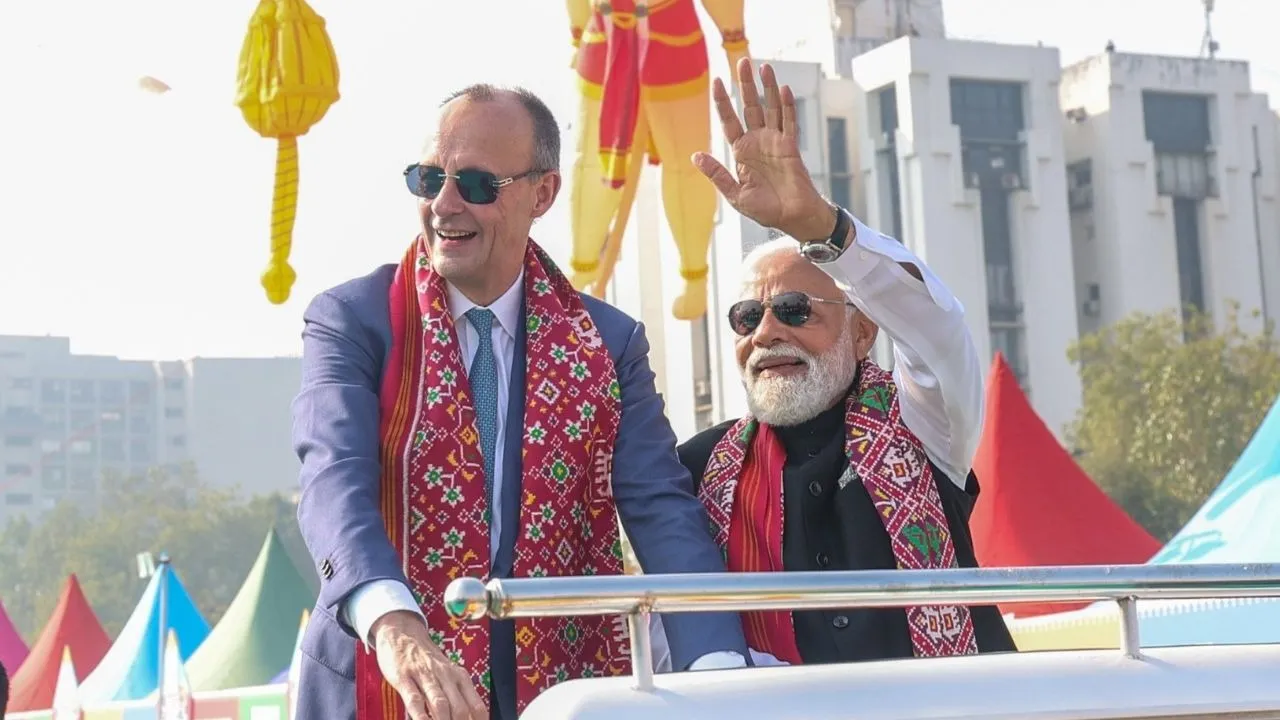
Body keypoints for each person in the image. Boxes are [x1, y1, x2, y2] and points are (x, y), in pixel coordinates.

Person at [291, 84, 751, 720]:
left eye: (476, 184)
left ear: (543, 194)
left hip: (556, 690)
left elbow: (659, 508)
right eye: (429, 179)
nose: (444, 204)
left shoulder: (608, 343)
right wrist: (394, 624)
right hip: (378, 675)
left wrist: (719, 670)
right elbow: (333, 481)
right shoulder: (353, 320)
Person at [679, 59, 1017, 665]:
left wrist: (821, 227)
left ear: (862, 333)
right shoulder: (698, 468)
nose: (767, 333)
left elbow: (937, 332)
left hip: (949, 705)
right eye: (747, 317)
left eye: (794, 310)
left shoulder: (922, 424)